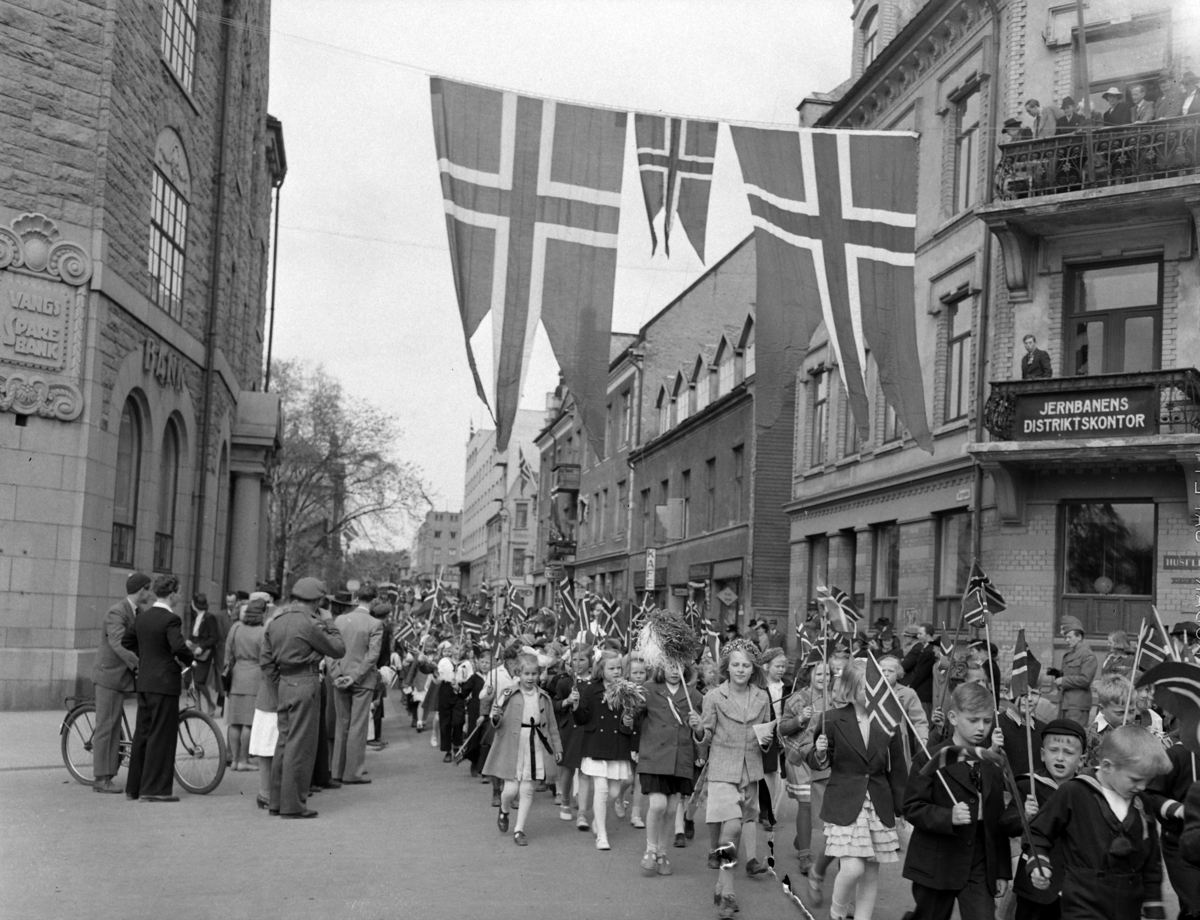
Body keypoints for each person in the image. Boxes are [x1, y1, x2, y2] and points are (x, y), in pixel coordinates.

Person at [1026, 725, 1171, 919]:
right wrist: (1039, 864)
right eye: (1135, 779)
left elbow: (1152, 863)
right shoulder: (1074, 792)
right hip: (1083, 904)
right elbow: (1038, 832)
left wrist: (1154, 910)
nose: (1142, 787)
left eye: (1148, 781)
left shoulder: (1142, 803)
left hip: (1129, 908)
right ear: (1107, 766)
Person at [807, 661, 908, 920]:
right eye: (866, 688)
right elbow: (818, 760)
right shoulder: (831, 719)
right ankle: (837, 912)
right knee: (852, 868)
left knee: (871, 873)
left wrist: (902, 808)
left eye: (877, 687)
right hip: (844, 801)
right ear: (851, 689)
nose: (873, 693)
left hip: (878, 803)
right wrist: (819, 752)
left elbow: (897, 769)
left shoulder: (888, 721)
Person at [902, 681, 1011, 920]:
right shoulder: (929, 758)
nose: (981, 728)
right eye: (973, 720)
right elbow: (911, 807)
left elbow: (996, 821)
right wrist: (947, 816)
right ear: (953, 717)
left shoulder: (991, 762)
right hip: (937, 862)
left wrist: (1001, 870)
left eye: (987, 720)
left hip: (978, 864)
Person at [697, 638, 772, 920]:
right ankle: (728, 893)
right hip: (721, 769)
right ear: (726, 668)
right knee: (731, 829)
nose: (741, 670)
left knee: (734, 830)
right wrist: (698, 730)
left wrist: (766, 739)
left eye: (746, 665)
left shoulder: (762, 697)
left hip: (749, 772)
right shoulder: (714, 696)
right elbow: (705, 737)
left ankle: (719, 881)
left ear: (753, 669)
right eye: (736, 665)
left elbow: (765, 739)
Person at [260, 576, 346, 819]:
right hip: (306, 682)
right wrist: (329, 622)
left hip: (285, 683)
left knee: (284, 744)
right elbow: (338, 648)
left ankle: (277, 802)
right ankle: (293, 805)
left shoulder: (276, 622)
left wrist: (280, 685)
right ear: (317, 601)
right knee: (301, 747)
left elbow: (266, 662)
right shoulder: (311, 623)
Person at [1000, 718, 1087, 920]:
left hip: (1072, 887)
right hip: (1035, 883)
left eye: (1068, 753)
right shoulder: (1028, 785)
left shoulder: (1085, 790)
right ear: (1042, 754)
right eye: (1053, 750)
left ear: (1081, 760)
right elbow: (1006, 824)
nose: (1060, 758)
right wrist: (1024, 818)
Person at [630, 659, 704, 876]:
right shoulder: (648, 690)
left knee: (672, 809)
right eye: (670, 666)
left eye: (679, 666)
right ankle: (651, 849)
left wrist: (698, 727)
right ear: (660, 668)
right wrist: (628, 708)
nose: (675, 671)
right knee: (659, 804)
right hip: (654, 756)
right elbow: (633, 720)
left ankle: (662, 853)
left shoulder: (694, 695)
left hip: (680, 758)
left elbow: (703, 732)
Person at [124, 574, 193, 803]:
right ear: (172, 594)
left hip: (144, 681)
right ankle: (155, 789)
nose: (179, 597)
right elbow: (178, 646)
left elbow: (127, 642)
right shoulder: (170, 619)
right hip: (165, 683)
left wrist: (148, 656)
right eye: (178, 593)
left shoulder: (142, 618)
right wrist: (189, 659)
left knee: (142, 734)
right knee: (161, 735)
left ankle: (134, 788)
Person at [483, 652, 562, 846]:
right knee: (510, 790)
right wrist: (495, 716)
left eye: (534, 674)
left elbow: (552, 725)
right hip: (513, 745)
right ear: (518, 673)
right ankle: (504, 809)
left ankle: (519, 830)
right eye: (526, 673)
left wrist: (557, 747)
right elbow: (498, 722)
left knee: (527, 789)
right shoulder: (509, 694)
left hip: (536, 744)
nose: (530, 678)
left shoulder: (544, 697)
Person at [90, 572, 152, 794]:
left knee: (115, 722)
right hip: (109, 675)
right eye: (148, 588)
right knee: (107, 725)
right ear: (141, 590)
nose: (150, 593)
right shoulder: (117, 612)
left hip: (123, 675)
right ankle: (101, 779)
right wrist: (140, 665)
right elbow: (118, 644)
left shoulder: (139, 612)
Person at [571, 648, 635, 851]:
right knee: (601, 789)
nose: (616, 671)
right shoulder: (591, 688)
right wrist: (575, 706)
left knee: (615, 791)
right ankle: (602, 834)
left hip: (617, 744)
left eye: (619, 668)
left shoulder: (626, 689)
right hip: (596, 743)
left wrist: (628, 721)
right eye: (612, 668)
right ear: (601, 668)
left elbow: (630, 717)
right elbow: (582, 718)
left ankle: (598, 820)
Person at [780, 656, 835, 880]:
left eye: (828, 674)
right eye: (819, 673)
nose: (824, 678)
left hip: (824, 760)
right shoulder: (796, 699)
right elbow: (782, 729)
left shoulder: (836, 700)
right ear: (810, 675)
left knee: (820, 806)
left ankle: (801, 837)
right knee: (805, 804)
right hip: (799, 759)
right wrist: (800, 719)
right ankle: (805, 855)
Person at [328, 586, 382, 784]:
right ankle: (353, 772)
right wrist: (356, 676)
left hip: (340, 676)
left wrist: (336, 674)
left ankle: (337, 770)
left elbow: (329, 648)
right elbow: (372, 656)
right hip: (363, 680)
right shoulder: (375, 623)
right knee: (358, 726)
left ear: (356, 598)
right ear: (374, 600)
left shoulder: (340, 620)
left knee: (342, 725)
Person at [1144, 742, 1200, 920]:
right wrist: (1179, 809)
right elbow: (1150, 795)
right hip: (1179, 843)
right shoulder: (1177, 754)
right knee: (1195, 904)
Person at [224, 596, 266, 772]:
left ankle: (233, 761)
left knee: (235, 722)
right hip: (255, 677)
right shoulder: (263, 632)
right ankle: (243, 760)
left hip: (236, 675)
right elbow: (265, 658)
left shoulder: (235, 628)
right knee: (248, 723)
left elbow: (227, 654)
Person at [552, 643, 591, 821]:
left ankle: (582, 808)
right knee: (568, 768)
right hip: (570, 729)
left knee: (585, 770)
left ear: (590, 661)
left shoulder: (594, 683)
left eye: (582, 659)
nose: (578, 663)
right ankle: (565, 800)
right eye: (574, 660)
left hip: (588, 729)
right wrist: (567, 701)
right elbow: (555, 705)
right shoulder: (565, 681)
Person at [1055, 617, 1097, 727]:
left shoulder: (1087, 655)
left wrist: (1063, 681)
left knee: (1073, 734)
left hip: (1078, 705)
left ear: (1079, 637)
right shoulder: (1071, 653)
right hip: (1066, 702)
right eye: (1066, 637)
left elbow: (1085, 680)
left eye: (1069, 637)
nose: (1067, 640)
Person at [185, 593, 219, 715]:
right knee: (191, 680)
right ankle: (197, 708)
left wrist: (202, 647)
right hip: (193, 650)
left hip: (204, 653)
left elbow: (214, 637)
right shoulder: (196, 617)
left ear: (194, 604)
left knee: (199, 681)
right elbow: (194, 633)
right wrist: (189, 640)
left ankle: (210, 703)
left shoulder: (209, 617)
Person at [901, 623, 938, 718]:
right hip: (922, 690)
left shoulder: (930, 651)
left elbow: (921, 673)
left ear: (928, 635)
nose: (918, 636)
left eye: (920, 634)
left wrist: (911, 686)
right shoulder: (926, 649)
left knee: (922, 718)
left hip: (924, 692)